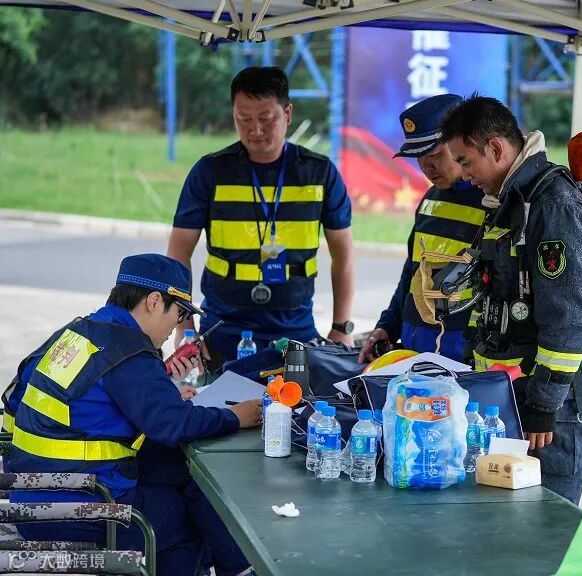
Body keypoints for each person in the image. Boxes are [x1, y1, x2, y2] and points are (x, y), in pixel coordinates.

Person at [3, 253, 262, 576]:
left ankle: (239, 569)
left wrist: (160, 394)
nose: (177, 324)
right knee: (187, 521)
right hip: (75, 504)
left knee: (184, 474)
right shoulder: (128, 350)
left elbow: (19, 400)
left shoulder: (79, 332)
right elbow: (175, 425)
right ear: (154, 302)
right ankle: (240, 568)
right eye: (180, 313)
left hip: (30, 493)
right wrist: (237, 416)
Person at [440, 96, 582, 504]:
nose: (464, 175)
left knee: (543, 527)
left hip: (550, 413)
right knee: (505, 526)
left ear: (495, 148)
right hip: (510, 401)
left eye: (465, 162)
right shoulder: (510, 203)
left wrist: (543, 405)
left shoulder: (552, 204)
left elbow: (571, 317)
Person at [169, 66, 355, 370]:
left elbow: (343, 254)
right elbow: (178, 253)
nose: (255, 130)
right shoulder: (210, 171)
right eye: (244, 119)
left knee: (295, 399)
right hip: (222, 330)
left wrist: (341, 326)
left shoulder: (319, 173)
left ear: (288, 114)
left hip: (296, 329)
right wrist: (185, 325)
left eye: (266, 118)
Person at [359, 94, 486, 363]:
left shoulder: (492, 201)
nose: (427, 167)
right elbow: (412, 272)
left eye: (435, 155)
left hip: (462, 359)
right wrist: (388, 326)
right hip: (413, 352)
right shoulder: (429, 200)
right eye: (419, 157)